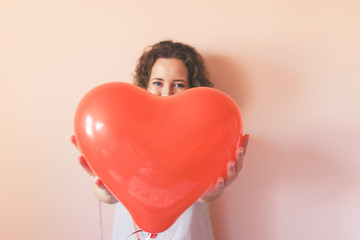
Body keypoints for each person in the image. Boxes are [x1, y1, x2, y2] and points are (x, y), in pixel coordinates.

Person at [71, 40, 249, 240]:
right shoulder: (120, 128)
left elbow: (205, 196)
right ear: (144, 84)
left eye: (179, 84)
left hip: (186, 233)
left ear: (193, 88)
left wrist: (217, 185)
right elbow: (107, 197)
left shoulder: (204, 135)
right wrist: (105, 187)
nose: (166, 92)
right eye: (157, 82)